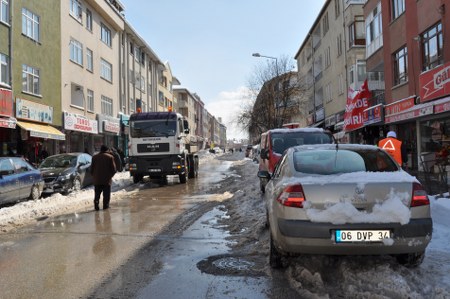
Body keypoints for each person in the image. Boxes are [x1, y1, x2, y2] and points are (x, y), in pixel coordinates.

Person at [90, 145, 117, 211]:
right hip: (106, 180)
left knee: (97, 194)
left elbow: (91, 169)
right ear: (107, 150)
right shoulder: (110, 157)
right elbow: (114, 169)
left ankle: (96, 205)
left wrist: (94, 176)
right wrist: (110, 176)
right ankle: (105, 206)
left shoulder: (94, 157)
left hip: (97, 180)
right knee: (106, 195)